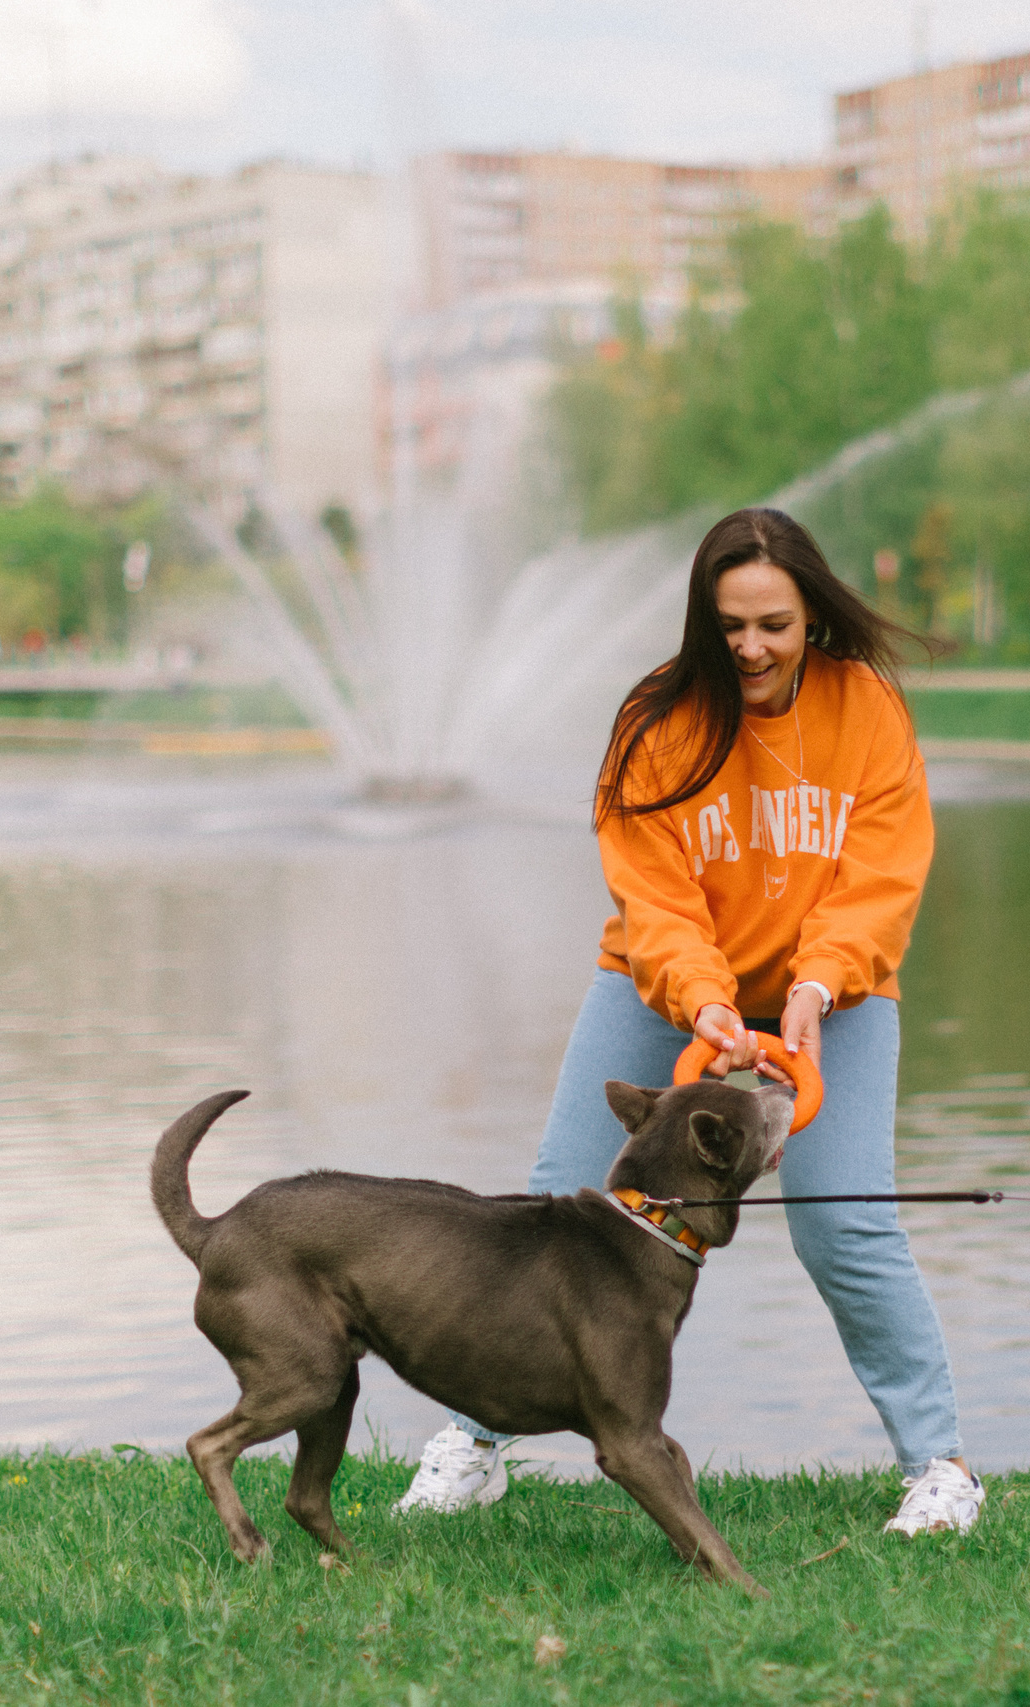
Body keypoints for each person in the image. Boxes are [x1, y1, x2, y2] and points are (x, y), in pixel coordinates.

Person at [395, 506, 983, 1537]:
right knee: (552, 1204)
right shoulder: (656, 719)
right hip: (665, 983)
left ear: (812, 618)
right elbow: (654, 897)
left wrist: (815, 988)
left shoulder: (867, 709)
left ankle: (942, 1468)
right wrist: (706, 1000)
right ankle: (473, 1444)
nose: (750, 647)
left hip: (829, 996)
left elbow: (880, 879)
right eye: (730, 625)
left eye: (774, 625)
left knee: (844, 1223)